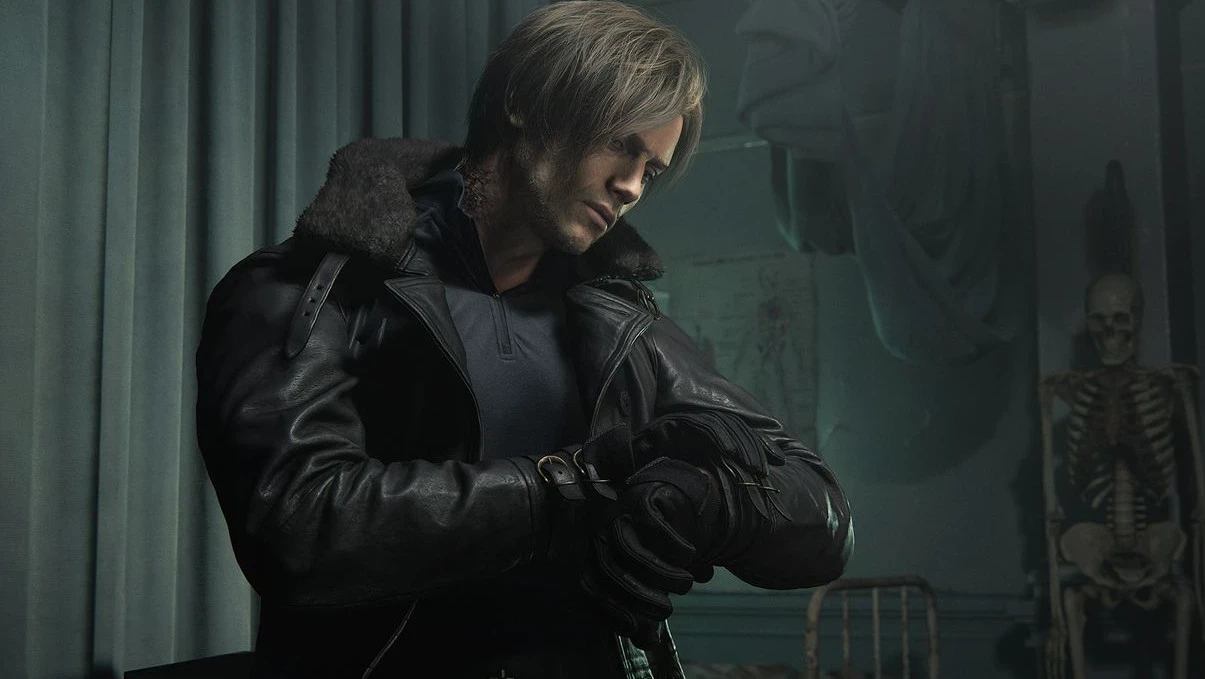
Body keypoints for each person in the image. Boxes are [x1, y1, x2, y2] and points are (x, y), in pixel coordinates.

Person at [195, 2, 853, 677]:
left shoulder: (618, 322)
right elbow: (299, 525)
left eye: (650, 170)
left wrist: (704, 501)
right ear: (523, 104)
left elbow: (823, 514)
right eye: (620, 143)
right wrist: (572, 487)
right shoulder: (307, 290)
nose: (630, 186)